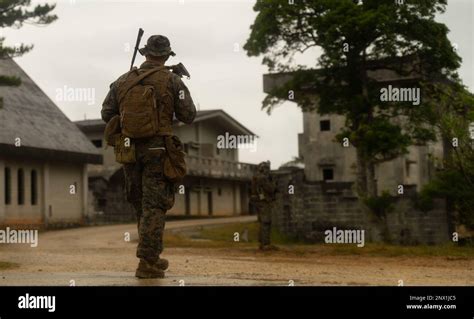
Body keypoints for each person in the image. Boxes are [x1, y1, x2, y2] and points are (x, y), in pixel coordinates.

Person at [101, 35, 196, 278]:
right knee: (154, 205)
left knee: (140, 203)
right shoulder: (173, 80)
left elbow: (106, 113)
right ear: (166, 55)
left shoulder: (122, 80)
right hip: (157, 150)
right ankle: (147, 261)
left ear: (145, 53)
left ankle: (150, 257)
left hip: (128, 149)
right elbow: (189, 115)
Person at [250, 161, 278, 250]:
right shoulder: (262, 178)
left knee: (262, 222)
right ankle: (266, 244)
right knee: (266, 222)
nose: (268, 171)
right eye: (267, 169)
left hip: (258, 202)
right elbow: (271, 189)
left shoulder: (256, 177)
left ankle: (262, 243)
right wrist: (274, 182)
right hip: (263, 202)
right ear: (263, 169)